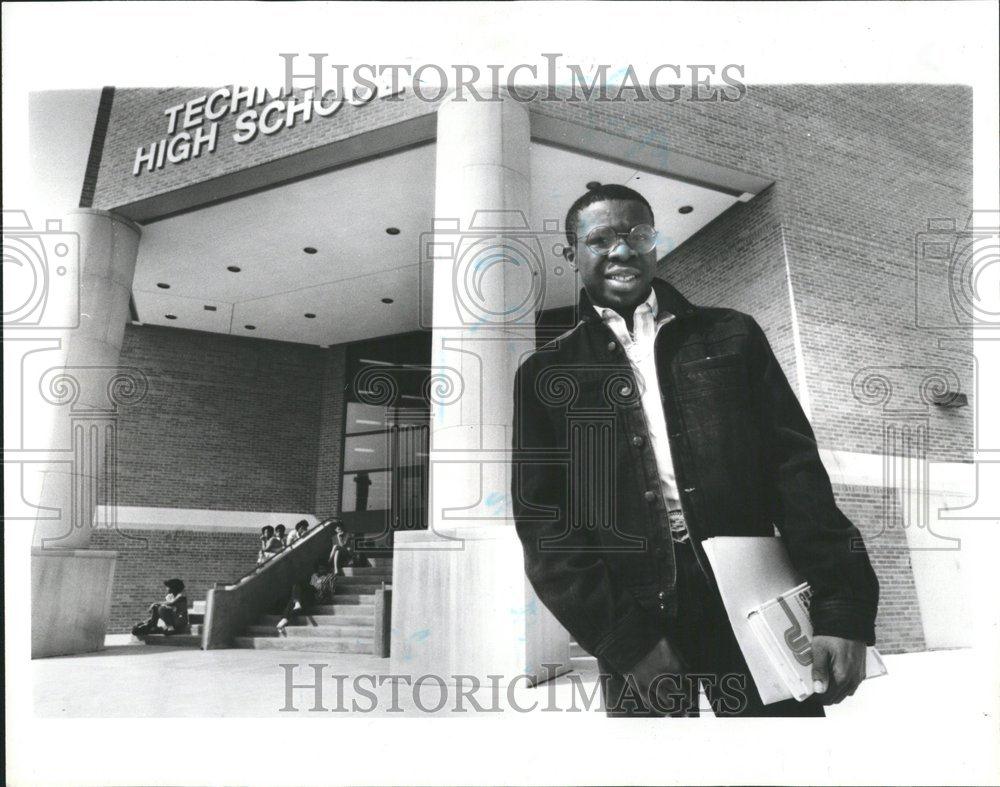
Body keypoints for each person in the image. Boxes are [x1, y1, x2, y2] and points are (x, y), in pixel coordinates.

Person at [511, 183, 879, 717]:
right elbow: (546, 523)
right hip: (635, 609)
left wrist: (841, 609)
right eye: (600, 240)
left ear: (655, 241)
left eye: (638, 234)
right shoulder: (546, 374)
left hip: (752, 595)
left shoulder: (732, 336)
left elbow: (796, 473)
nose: (622, 250)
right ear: (573, 255)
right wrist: (623, 640)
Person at [276, 559, 337, 632]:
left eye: (323, 569)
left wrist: (322, 585)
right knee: (297, 588)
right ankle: (287, 615)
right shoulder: (314, 575)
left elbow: (332, 591)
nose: (321, 571)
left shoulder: (330, 576)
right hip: (309, 596)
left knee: (300, 585)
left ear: (327, 568)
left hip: (318, 595)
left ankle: (288, 614)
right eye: (319, 569)